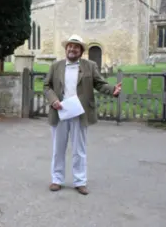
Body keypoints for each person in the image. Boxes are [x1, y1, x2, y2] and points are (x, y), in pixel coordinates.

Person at [43, 34, 121, 195]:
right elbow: (46, 86)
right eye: (70, 46)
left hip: (80, 112)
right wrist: (53, 100)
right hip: (60, 112)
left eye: (76, 47)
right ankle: (57, 179)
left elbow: (100, 84)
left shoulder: (89, 66)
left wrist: (112, 90)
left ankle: (80, 181)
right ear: (66, 49)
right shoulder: (56, 66)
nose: (72, 49)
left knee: (79, 149)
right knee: (58, 148)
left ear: (81, 51)